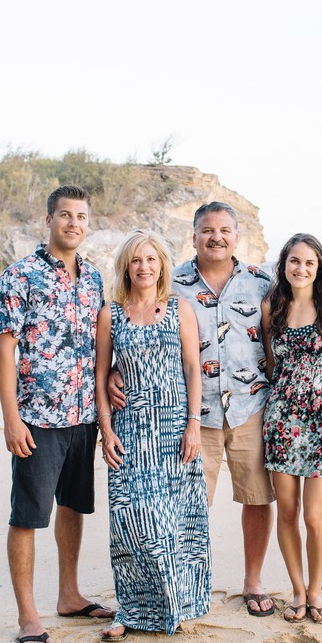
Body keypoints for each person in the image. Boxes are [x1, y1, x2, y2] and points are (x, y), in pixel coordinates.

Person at [108, 202, 276, 618]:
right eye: (207, 230)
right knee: (188, 505)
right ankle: (184, 588)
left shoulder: (261, 283)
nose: (216, 237)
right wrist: (116, 368)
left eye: (224, 230)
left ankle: (253, 582)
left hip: (251, 407)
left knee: (257, 498)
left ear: (236, 236)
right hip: (193, 415)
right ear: (194, 236)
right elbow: (141, 327)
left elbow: (280, 337)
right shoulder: (173, 283)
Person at [0, 185, 115, 643]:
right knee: (27, 516)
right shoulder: (19, 276)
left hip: (83, 416)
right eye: (65, 215)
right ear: (49, 221)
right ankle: (28, 615)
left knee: (73, 506)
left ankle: (69, 595)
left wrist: (111, 383)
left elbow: (103, 344)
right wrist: (11, 418)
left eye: (81, 216)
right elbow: (5, 349)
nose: (73, 223)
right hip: (38, 418)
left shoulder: (94, 278)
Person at [95, 229, 210, 641]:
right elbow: (100, 374)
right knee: (129, 521)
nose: (144, 267)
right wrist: (105, 429)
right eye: (136, 260)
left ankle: (174, 605)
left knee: (171, 521)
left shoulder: (179, 308)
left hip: (173, 429)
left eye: (151, 259)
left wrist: (194, 424)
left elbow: (193, 368)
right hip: (129, 430)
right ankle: (130, 609)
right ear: (126, 267)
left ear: (161, 265)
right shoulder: (111, 313)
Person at [261, 233, 322, 624]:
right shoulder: (272, 306)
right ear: (284, 264)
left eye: (309, 262)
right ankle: (297, 591)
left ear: (319, 268)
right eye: (294, 261)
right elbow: (271, 365)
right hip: (281, 420)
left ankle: (316, 591)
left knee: (314, 516)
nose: (301, 269)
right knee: (287, 512)